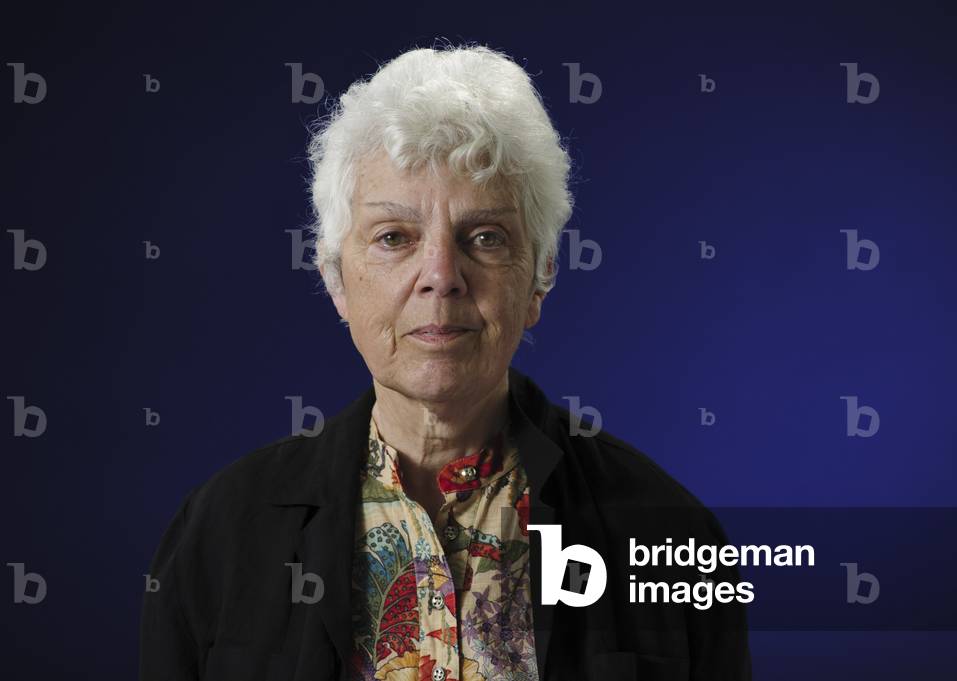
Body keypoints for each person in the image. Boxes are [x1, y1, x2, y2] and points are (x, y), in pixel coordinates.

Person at [140, 42, 752, 681]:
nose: (440, 276)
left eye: (485, 238)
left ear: (539, 278)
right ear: (336, 280)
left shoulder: (671, 538)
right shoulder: (219, 534)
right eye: (394, 238)